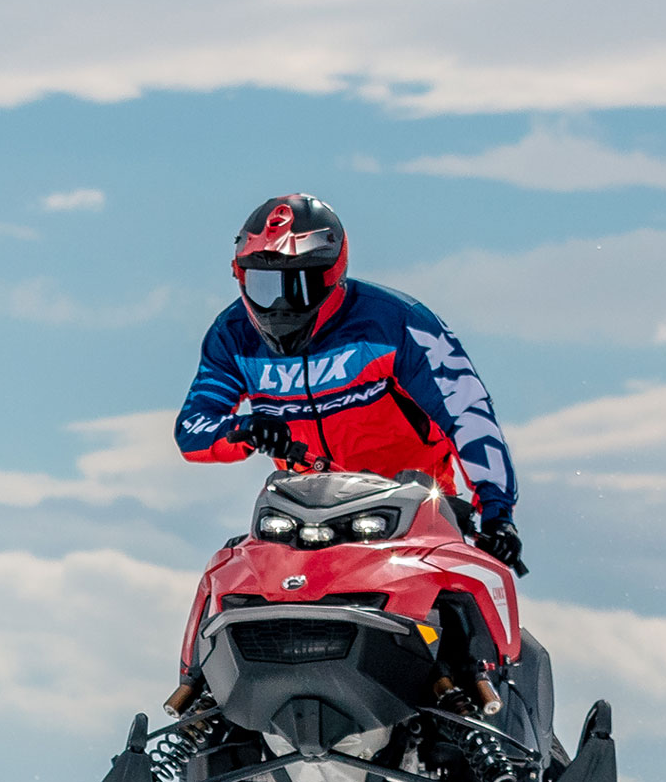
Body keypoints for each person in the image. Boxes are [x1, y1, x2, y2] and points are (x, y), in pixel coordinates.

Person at [174, 193, 528, 574]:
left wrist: (496, 512)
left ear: (334, 274)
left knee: (459, 602)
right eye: (263, 286)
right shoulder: (232, 335)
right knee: (227, 578)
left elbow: (468, 414)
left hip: (414, 511)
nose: (280, 307)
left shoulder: (398, 322)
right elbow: (192, 429)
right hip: (304, 515)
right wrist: (243, 430)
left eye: (299, 287)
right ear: (240, 277)